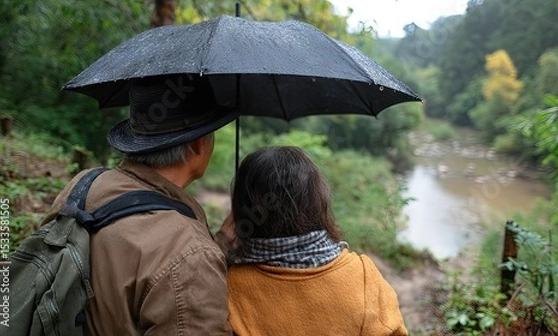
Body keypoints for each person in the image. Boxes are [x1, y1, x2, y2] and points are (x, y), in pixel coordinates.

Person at [43, 75, 237, 335]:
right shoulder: (190, 255)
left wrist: (219, 243)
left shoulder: (84, 184)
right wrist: (203, 255)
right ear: (198, 145)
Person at [219, 146, 408, 335]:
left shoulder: (227, 287)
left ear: (241, 209)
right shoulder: (365, 278)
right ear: (317, 202)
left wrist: (219, 246)